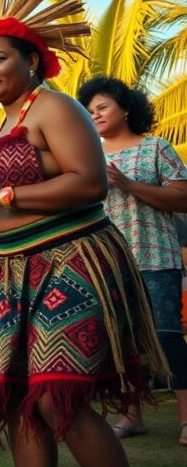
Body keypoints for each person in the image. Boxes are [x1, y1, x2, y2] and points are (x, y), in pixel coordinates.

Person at [0, 0, 167, 466]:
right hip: (6, 272)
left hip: (68, 260)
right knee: (18, 400)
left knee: (54, 396)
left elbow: (91, 182)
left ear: (32, 61)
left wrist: (0, 193)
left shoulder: (56, 107)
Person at [78, 76, 187, 448]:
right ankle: (131, 416)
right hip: (104, 262)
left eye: (102, 107)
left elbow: (182, 198)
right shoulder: (87, 156)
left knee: (167, 338)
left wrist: (128, 185)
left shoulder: (156, 147)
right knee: (118, 343)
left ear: (126, 109)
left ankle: (186, 419)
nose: (95, 115)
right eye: (89, 111)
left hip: (155, 257)